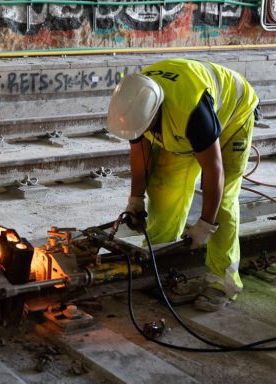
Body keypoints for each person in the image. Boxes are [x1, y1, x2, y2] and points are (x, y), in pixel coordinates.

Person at [106, 58, 258, 312]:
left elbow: (214, 170)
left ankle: (222, 282)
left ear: (154, 114)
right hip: (178, 122)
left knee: (223, 204)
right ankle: (159, 265)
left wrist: (205, 225)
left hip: (233, 116)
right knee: (164, 188)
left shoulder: (192, 111)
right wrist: (135, 199)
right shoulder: (134, 103)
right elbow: (140, 157)